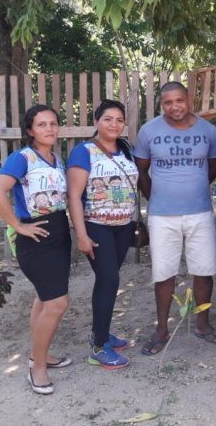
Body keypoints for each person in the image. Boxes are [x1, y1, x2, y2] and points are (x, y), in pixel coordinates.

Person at [0, 105, 71, 395]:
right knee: (58, 304)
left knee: (44, 299)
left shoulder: (56, 159)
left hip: (58, 232)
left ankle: (42, 354)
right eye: (41, 124)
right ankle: (37, 369)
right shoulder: (22, 158)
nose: (49, 128)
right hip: (35, 238)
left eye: (53, 123)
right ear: (30, 130)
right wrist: (18, 226)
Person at [133, 81, 216, 356]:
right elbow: (141, 173)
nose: (175, 107)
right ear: (162, 104)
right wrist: (158, 197)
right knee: (163, 273)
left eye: (179, 101)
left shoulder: (207, 131)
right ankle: (161, 329)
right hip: (162, 215)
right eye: (168, 102)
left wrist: (193, 191)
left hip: (200, 212)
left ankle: (203, 324)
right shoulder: (149, 131)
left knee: (204, 270)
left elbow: (213, 168)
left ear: (189, 100)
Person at [67, 100, 137, 369]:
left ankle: (102, 333)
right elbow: (73, 196)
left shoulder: (125, 149)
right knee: (109, 279)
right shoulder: (83, 151)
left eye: (119, 120)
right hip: (97, 225)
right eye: (108, 119)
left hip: (123, 226)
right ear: (96, 121)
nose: (114, 124)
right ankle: (98, 346)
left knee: (108, 280)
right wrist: (81, 235)